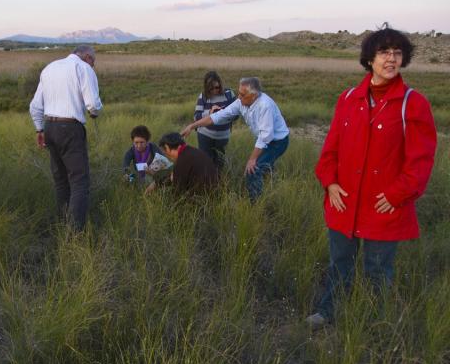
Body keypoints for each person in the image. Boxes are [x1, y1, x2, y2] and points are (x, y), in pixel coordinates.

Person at [306, 26, 437, 327]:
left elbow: (420, 162)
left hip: (383, 205)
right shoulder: (348, 98)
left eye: (397, 53)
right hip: (344, 201)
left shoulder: (413, 103)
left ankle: (375, 326)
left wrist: (396, 195)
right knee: (339, 264)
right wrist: (330, 183)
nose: (391, 59)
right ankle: (329, 312)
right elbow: (330, 150)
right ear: (369, 59)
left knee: (378, 272)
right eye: (384, 52)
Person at [29, 45, 103, 230]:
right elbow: (93, 105)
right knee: (79, 182)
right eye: (93, 61)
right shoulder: (83, 68)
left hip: (49, 127)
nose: (93, 66)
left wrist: (39, 129)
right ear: (88, 57)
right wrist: (94, 113)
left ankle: (63, 225)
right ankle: (75, 233)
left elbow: (35, 105)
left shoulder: (49, 68)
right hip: (70, 128)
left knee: (61, 181)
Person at [181, 77, 289, 202]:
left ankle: (255, 203)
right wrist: (192, 126)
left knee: (252, 170)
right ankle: (272, 183)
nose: (239, 97)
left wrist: (252, 159)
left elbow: (265, 137)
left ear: (254, 95)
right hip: (265, 140)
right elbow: (217, 116)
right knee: (263, 167)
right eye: (239, 93)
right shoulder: (240, 102)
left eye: (242, 94)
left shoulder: (265, 105)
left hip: (277, 142)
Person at [193, 71, 237, 170]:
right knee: (205, 163)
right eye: (211, 88)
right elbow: (196, 117)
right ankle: (206, 179)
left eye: (216, 87)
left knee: (220, 164)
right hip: (204, 136)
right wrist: (210, 113)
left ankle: (218, 180)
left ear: (220, 84)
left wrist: (224, 113)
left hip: (223, 137)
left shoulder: (229, 94)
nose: (214, 91)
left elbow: (237, 114)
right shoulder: (203, 96)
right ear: (206, 87)